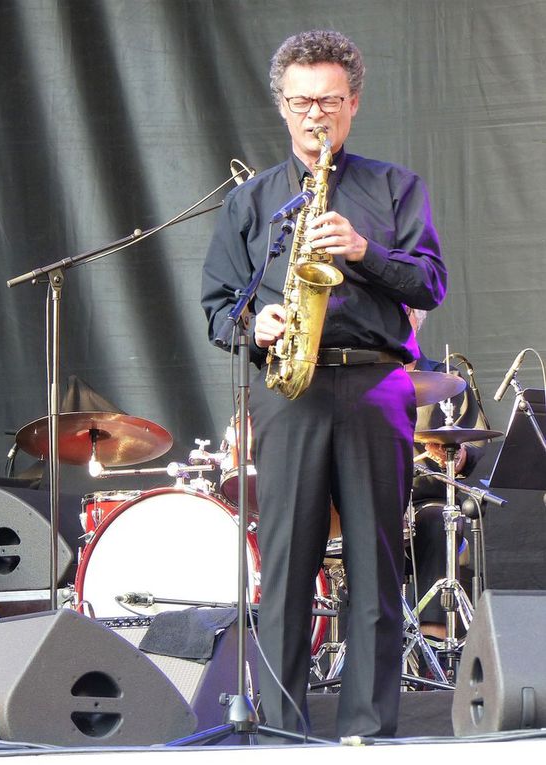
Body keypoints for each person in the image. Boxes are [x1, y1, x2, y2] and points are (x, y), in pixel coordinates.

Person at [201, 30, 447, 738]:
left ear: (354, 104)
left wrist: (364, 250)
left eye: (331, 102)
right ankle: (281, 728)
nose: (317, 116)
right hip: (289, 391)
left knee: (375, 567)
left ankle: (370, 729)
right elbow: (219, 306)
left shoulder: (396, 188)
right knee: (285, 568)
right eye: (304, 101)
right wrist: (260, 323)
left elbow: (432, 279)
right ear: (281, 105)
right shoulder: (251, 202)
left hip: (376, 385)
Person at [405, 307, 487, 639]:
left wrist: (457, 454)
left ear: (417, 320)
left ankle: (435, 641)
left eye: (403, 309)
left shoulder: (445, 380)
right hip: (363, 496)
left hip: (424, 500)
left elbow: (475, 444)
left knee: (440, 519)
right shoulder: (354, 380)